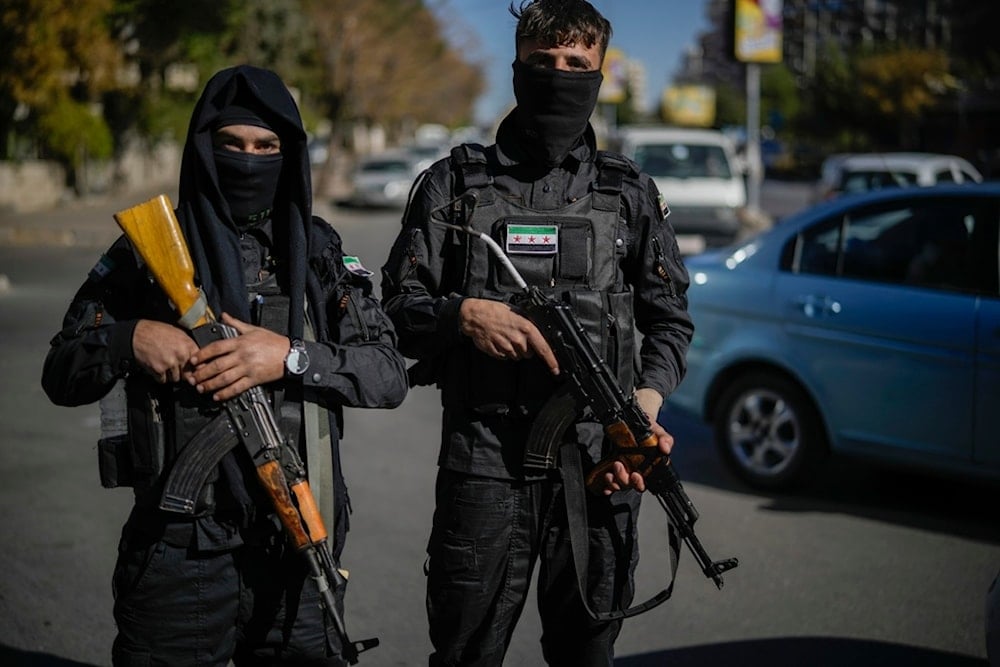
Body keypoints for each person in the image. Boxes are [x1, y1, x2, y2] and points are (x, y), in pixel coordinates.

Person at [41, 64, 408, 666]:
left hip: (296, 545)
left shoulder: (316, 253)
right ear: (203, 150)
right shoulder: (151, 251)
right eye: (231, 145)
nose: (248, 160)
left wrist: (288, 357)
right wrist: (130, 338)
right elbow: (61, 370)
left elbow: (388, 373)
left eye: (266, 147)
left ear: (288, 155)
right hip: (177, 553)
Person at [380, 1, 694, 664]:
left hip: (598, 467)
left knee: (587, 652)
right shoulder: (452, 186)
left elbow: (669, 319)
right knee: (467, 652)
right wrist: (460, 314)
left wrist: (646, 402)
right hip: (483, 464)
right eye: (543, 61)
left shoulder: (629, 195)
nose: (560, 74)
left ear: (600, 73)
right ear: (517, 66)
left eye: (577, 64)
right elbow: (394, 309)